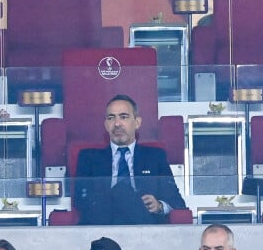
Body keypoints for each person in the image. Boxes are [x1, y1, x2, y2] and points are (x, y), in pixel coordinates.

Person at [73, 94, 186, 225]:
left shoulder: (155, 156)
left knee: (123, 191)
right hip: (102, 224)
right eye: (111, 118)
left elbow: (176, 201)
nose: (117, 123)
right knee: (121, 190)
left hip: (143, 223)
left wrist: (159, 206)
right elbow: (80, 201)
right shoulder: (88, 158)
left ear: (137, 122)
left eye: (124, 117)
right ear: (106, 125)